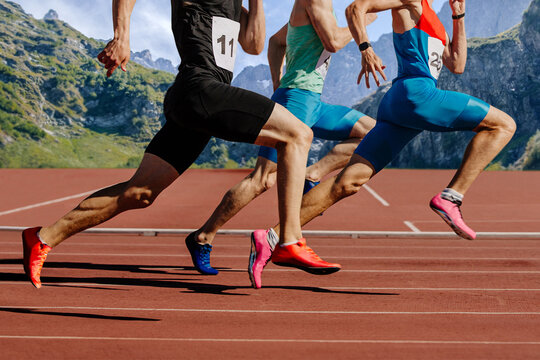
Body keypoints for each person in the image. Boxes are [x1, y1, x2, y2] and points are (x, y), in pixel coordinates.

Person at [21, 0, 332, 288]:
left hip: (198, 101)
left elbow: (252, 45)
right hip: (199, 88)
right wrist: (122, 35)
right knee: (298, 134)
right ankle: (289, 240)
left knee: (139, 193)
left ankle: (42, 237)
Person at [265, 0, 516, 254]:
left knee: (348, 182)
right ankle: (451, 197)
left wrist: (458, 14)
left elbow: (457, 64)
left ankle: (274, 237)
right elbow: (355, 9)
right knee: (503, 125)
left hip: (399, 105)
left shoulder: (435, 22)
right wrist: (366, 49)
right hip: (417, 95)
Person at [184, 0, 377, 289]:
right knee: (262, 180)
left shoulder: (320, 6)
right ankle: (203, 235)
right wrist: (362, 22)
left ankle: (311, 174)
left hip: (311, 101)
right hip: (297, 99)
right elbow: (334, 41)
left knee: (370, 132)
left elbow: (276, 42)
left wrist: (277, 83)